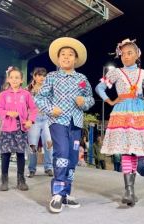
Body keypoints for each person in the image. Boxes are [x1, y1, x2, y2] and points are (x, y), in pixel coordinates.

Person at [95, 38, 144, 206]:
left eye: (130, 53)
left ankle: (130, 190)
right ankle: (129, 190)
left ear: (137, 54)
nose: (126, 56)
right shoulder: (115, 72)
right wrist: (109, 100)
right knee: (125, 150)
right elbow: (99, 88)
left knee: (134, 150)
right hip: (122, 110)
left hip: (138, 111)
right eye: (123, 54)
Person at [35, 37, 94, 213]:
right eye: (63, 55)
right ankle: (57, 193)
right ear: (58, 59)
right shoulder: (52, 77)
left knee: (73, 157)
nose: (66, 57)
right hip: (57, 121)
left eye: (70, 55)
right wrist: (51, 109)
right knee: (61, 153)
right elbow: (39, 98)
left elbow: (90, 99)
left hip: (75, 122)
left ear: (76, 59)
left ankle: (67, 193)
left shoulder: (82, 79)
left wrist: (84, 101)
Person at [0, 66, 38, 191]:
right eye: (12, 77)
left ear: (21, 80)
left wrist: (30, 120)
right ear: (8, 79)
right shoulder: (4, 94)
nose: (14, 80)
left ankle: (21, 179)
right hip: (7, 128)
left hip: (21, 128)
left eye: (17, 78)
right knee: (5, 154)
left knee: (20, 153)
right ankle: (4, 179)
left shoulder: (26, 94)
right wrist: (8, 113)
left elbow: (33, 109)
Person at [25, 67, 54, 178]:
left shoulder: (49, 89)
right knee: (33, 145)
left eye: (44, 75)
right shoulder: (28, 89)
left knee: (49, 144)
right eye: (39, 75)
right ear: (34, 76)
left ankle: (49, 168)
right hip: (34, 120)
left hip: (46, 119)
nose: (42, 77)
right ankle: (32, 169)